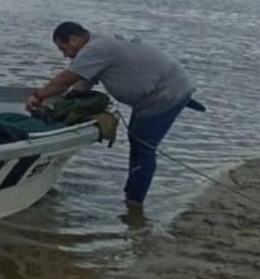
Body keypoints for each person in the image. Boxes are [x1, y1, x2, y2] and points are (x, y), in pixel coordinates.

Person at [26, 21, 199, 211]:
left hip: (165, 96)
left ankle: (134, 205)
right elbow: (83, 84)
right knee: (137, 144)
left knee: (143, 149)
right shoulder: (100, 44)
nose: (65, 55)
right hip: (161, 91)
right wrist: (65, 105)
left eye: (64, 48)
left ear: (75, 39)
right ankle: (130, 196)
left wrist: (39, 95)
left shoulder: (96, 48)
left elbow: (67, 78)